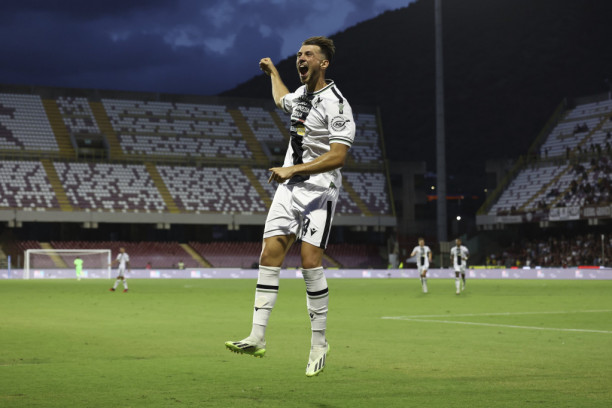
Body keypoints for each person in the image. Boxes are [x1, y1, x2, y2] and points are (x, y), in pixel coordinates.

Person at [225, 36, 355, 377]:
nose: (301, 58)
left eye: (308, 54)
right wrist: (272, 72)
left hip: (319, 191)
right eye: (298, 54)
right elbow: (281, 98)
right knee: (269, 255)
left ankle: (319, 343)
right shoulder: (301, 96)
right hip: (288, 189)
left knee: (310, 263)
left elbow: (338, 156)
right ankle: (257, 336)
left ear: (323, 63)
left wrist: (293, 169)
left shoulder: (337, 105)